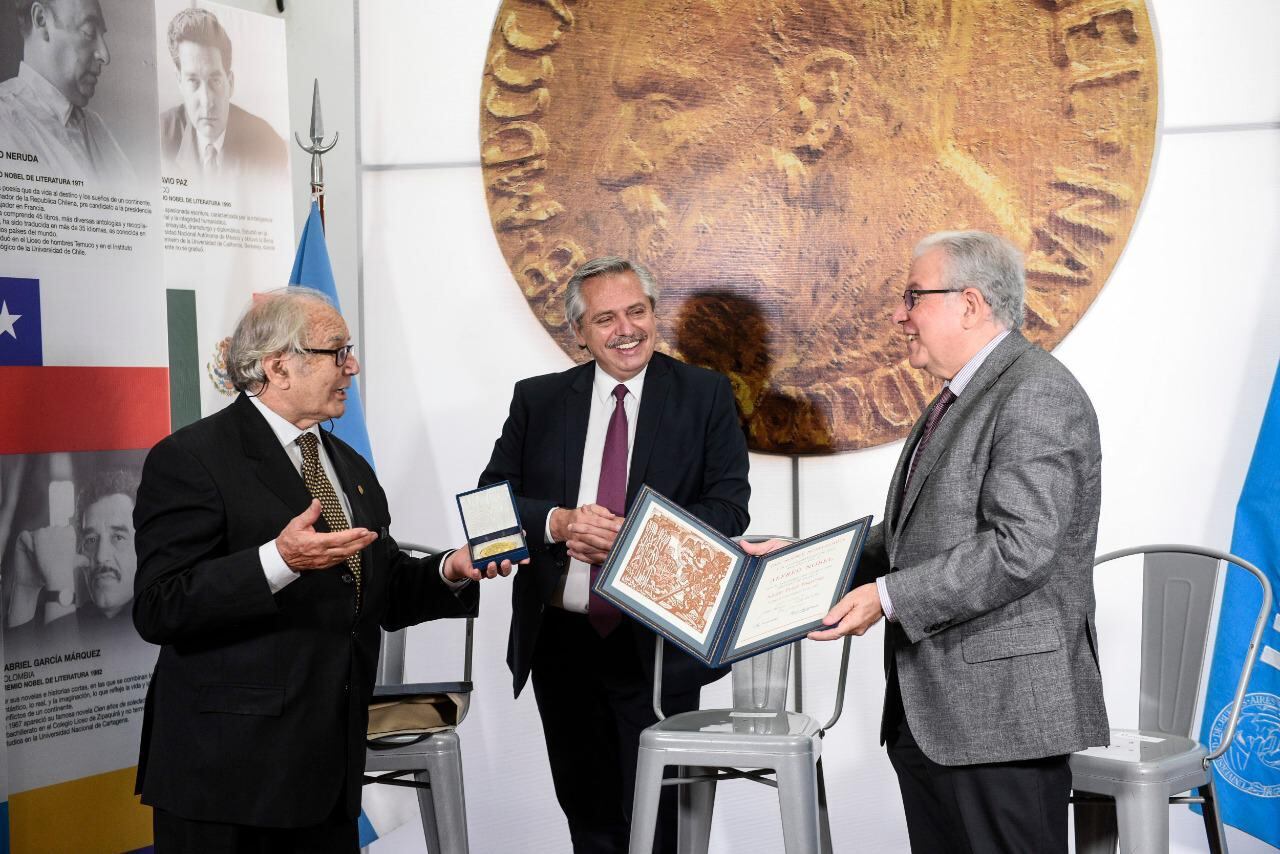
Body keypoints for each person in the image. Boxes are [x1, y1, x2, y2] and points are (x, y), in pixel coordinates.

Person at [749, 230, 1108, 852]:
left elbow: (1019, 547)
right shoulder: (963, 396)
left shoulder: (1036, 393)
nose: (899, 314)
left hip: (1001, 719)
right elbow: (917, 533)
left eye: (913, 296)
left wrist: (886, 598)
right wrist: (809, 560)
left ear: (969, 303)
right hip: (937, 714)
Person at [131, 287, 514, 853]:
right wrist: (277, 562)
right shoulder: (191, 459)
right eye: (338, 351)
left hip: (328, 769)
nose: (352, 366)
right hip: (228, 776)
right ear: (279, 366)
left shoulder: (346, 464)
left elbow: (375, 590)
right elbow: (161, 606)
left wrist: (450, 570)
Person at [479, 256, 751, 853]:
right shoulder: (538, 400)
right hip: (561, 642)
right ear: (579, 333)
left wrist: (637, 538)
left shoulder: (704, 394)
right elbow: (488, 508)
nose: (626, 329)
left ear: (654, 315)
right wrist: (558, 523)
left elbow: (730, 510)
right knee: (589, 813)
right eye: (606, 318)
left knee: (662, 822)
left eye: (637, 311)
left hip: (659, 641)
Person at [5, 468, 140, 650]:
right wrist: (25, 589)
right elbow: (23, 671)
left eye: (118, 537)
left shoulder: (159, 620)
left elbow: (69, 672)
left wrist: (61, 580)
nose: (100, 556)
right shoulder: (77, 619)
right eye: (91, 540)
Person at [0, 0, 133, 181]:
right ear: (41, 20)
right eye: (89, 32)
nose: (105, 55)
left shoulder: (98, 126)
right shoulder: (4, 122)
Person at [159, 7, 289, 181]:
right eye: (193, 81)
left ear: (231, 83)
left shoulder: (267, 145)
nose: (206, 102)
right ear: (180, 83)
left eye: (215, 81)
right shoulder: (159, 138)